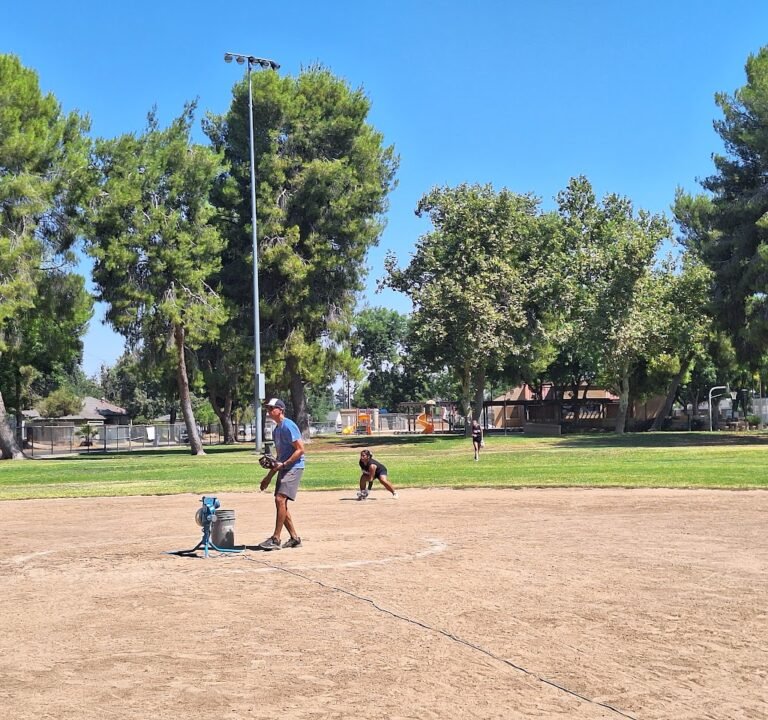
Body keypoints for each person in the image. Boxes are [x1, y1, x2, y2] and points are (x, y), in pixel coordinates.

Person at [258, 398, 305, 550]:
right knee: (281, 504)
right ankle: (294, 538)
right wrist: (268, 477)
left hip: (294, 467)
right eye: (268, 409)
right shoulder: (277, 430)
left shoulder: (288, 426)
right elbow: (279, 458)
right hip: (284, 467)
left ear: (280, 410)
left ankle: (276, 539)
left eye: (272, 408)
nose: (269, 411)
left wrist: (285, 464)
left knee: (280, 499)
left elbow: (300, 449)